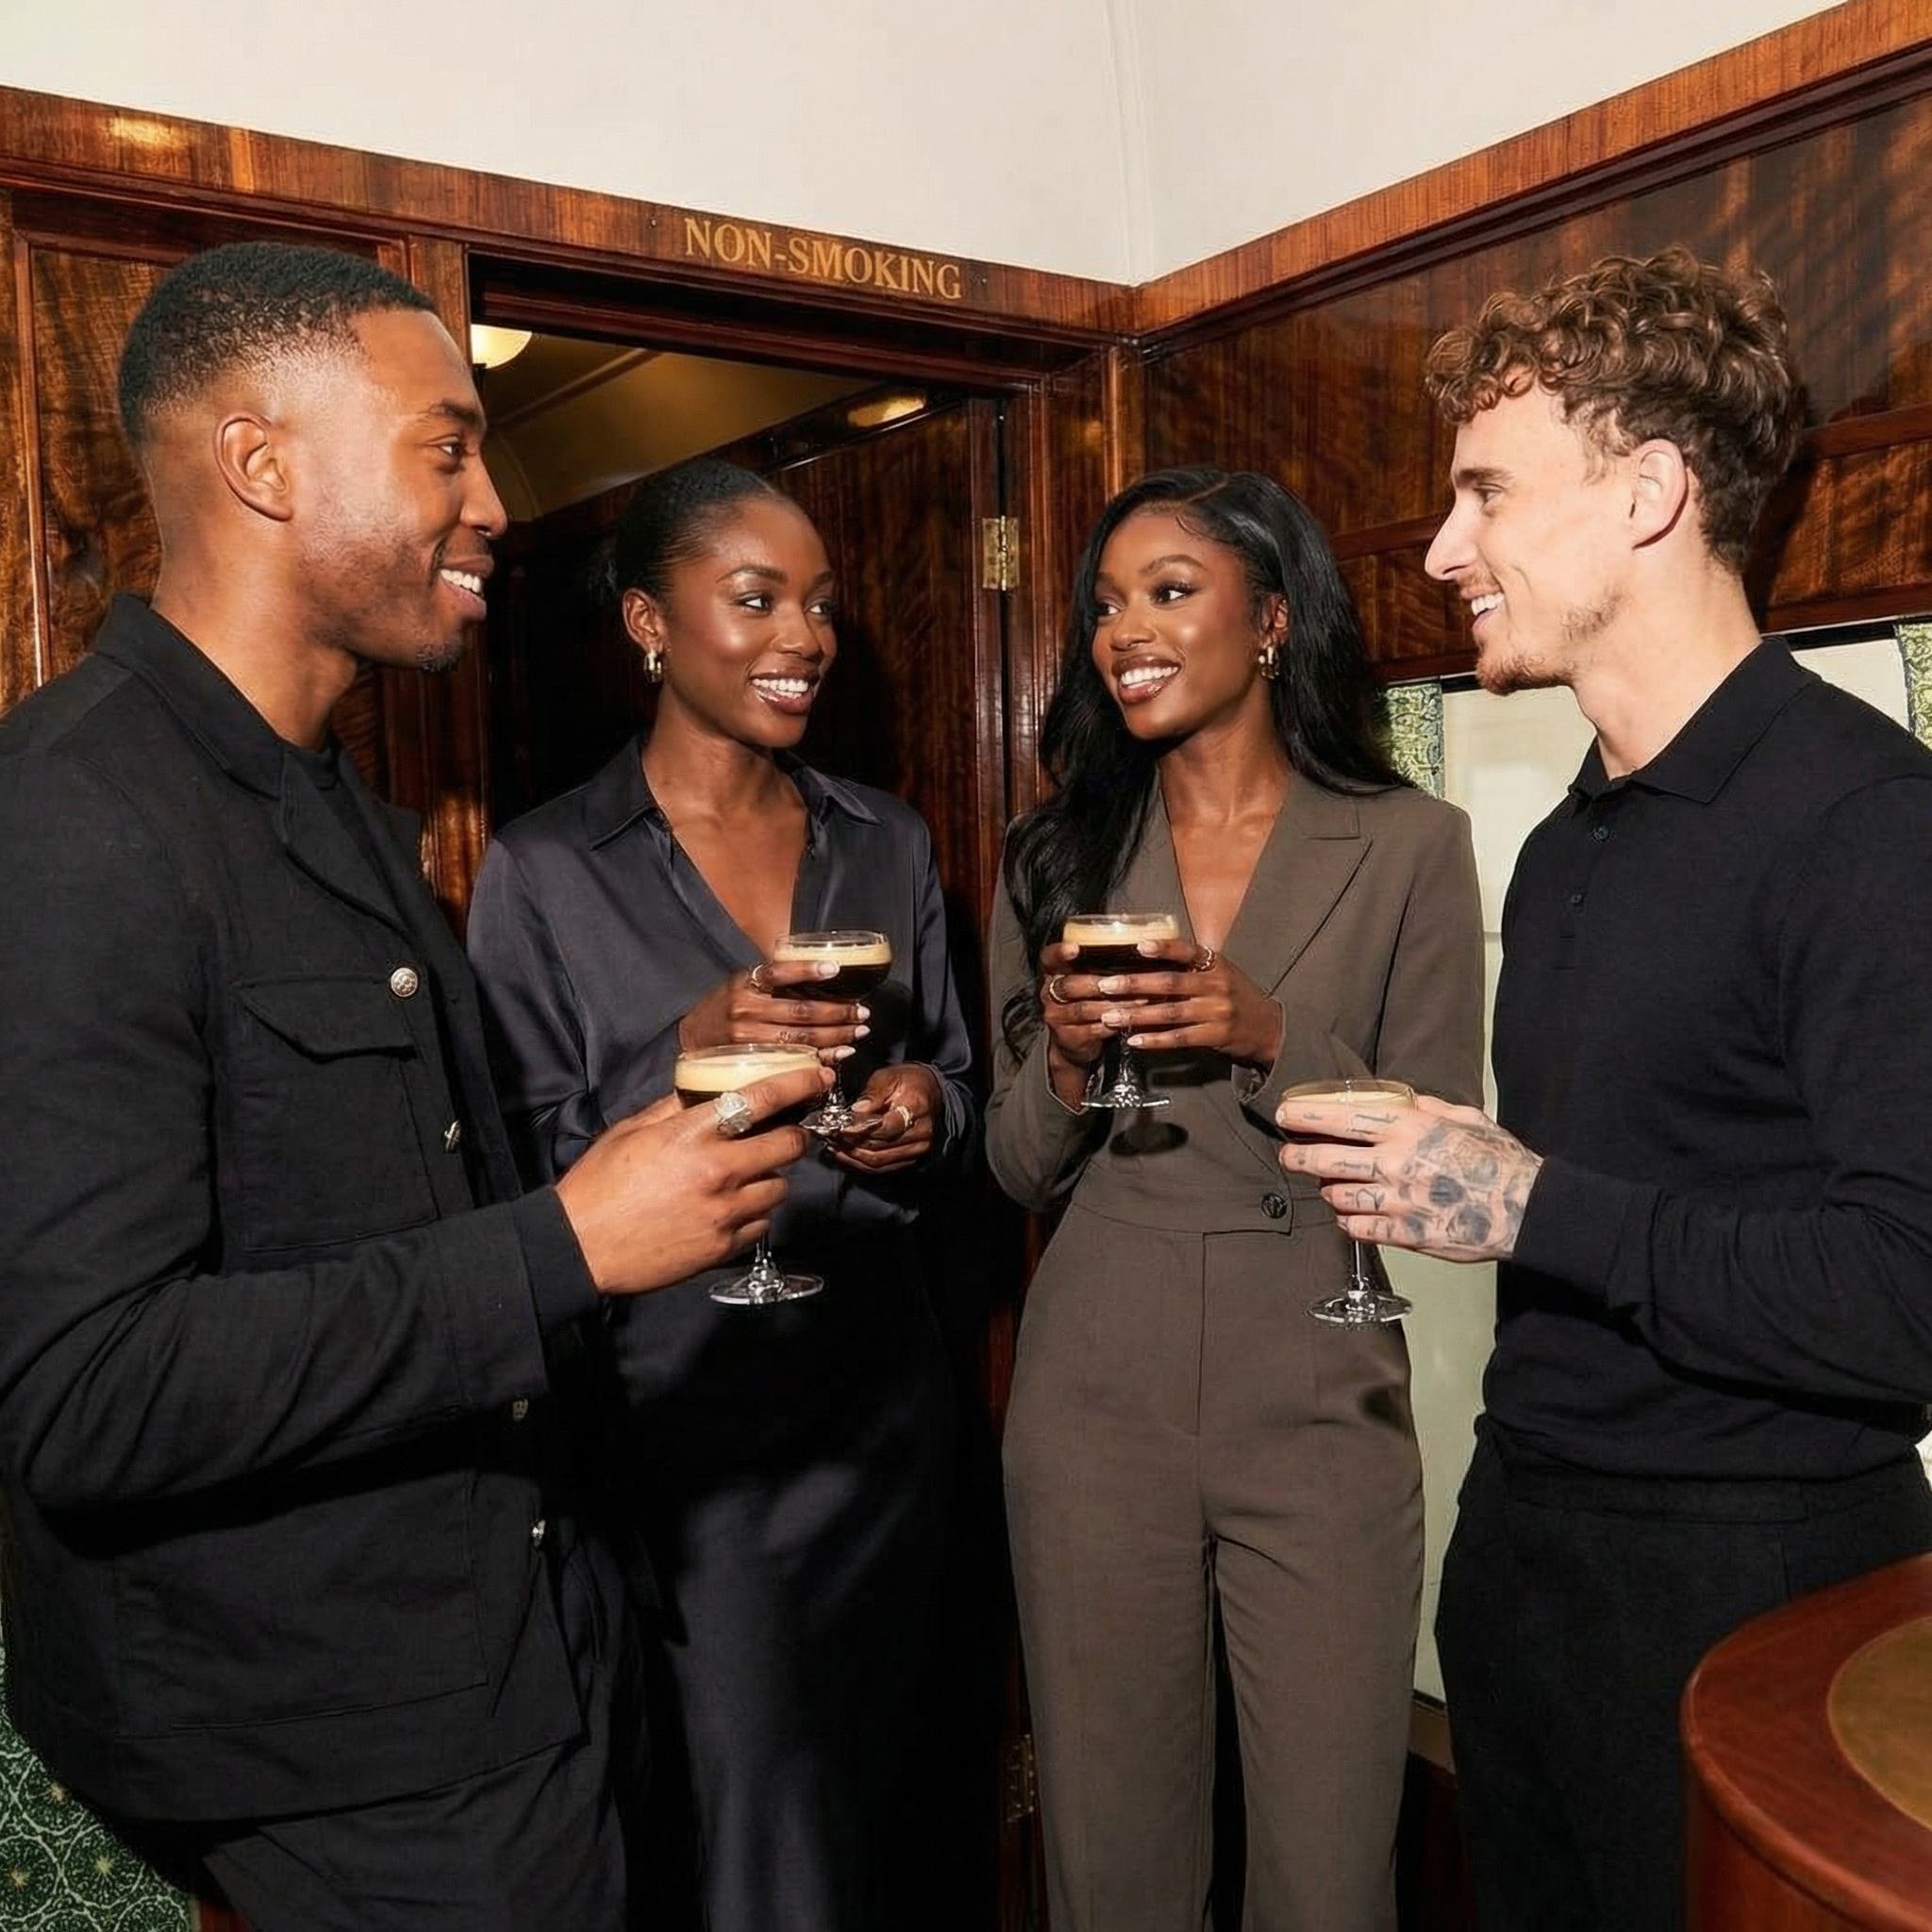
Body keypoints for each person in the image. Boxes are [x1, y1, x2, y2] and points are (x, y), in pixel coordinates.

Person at [0, 244, 827, 1932]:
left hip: (526, 1662)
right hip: (343, 1759)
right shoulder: (70, 822)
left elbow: (378, 1190)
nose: (496, 501)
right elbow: (89, 1392)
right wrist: (570, 1247)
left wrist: (615, 1131)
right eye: (445, 445)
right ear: (261, 463)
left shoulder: (346, 811)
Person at [1277, 247, 1932, 1930]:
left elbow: (1906, 1294)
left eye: (1487, 489)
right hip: (1529, 1558)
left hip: (1763, 1589)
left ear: (1649, 493)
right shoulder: (1564, 839)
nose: (1439, 550)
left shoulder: (1871, 825)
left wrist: (1522, 1201)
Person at [467, 456, 972, 1932]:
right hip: (694, 1430)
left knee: (900, 1809)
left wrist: (920, 1109)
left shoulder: (887, 839)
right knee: (758, 1834)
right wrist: (670, 1051)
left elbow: (949, 1071)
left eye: (818, 605)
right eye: (756, 599)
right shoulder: (547, 867)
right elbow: (520, 1163)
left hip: (888, 1407)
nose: (802, 637)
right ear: (649, 623)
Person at [985, 466, 1484, 1931]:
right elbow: (1015, 1168)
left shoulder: (1410, 845)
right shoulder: (1056, 854)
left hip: (1319, 1385)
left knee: (1332, 1876)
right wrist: (1069, 1067)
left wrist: (1275, 1037)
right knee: (1115, 1863)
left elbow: (1447, 1159)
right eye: (1103, 602)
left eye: (1168, 590)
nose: (1120, 630)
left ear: (1271, 618)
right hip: (1093, 1386)